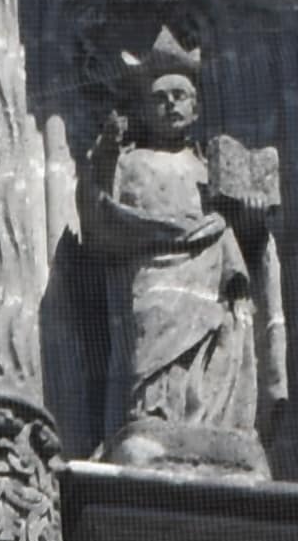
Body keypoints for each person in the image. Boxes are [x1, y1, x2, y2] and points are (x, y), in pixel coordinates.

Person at [77, 35, 280, 478]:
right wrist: (105, 154)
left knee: (219, 346)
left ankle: (216, 425)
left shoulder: (213, 168)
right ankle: (152, 415)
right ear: (144, 109)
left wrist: (251, 217)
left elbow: (247, 241)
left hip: (212, 276)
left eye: (180, 96)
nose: (170, 104)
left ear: (196, 108)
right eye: (159, 98)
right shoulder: (128, 162)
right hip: (153, 276)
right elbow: (99, 218)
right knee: (152, 342)